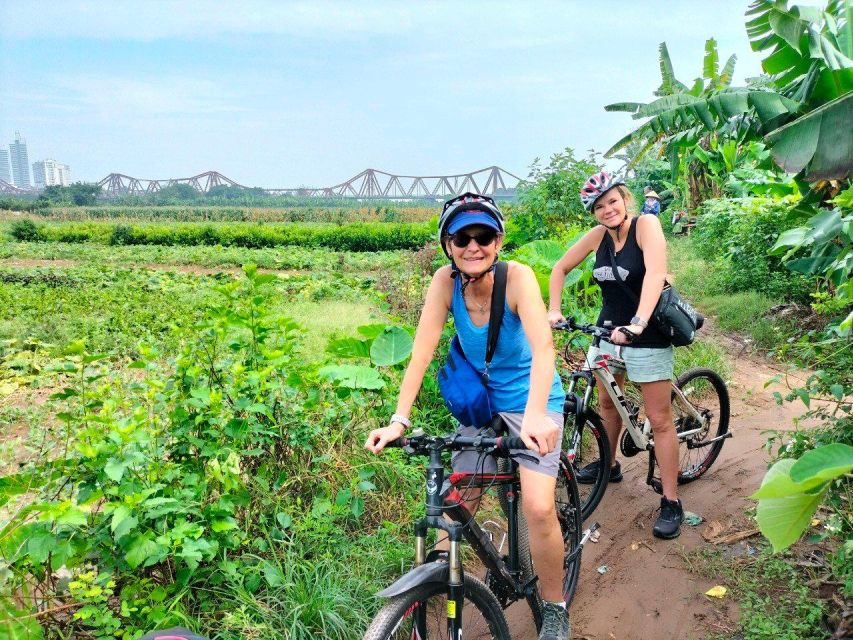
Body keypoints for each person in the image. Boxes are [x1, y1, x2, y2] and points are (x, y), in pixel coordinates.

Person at [365, 192, 571, 639]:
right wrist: (399, 420)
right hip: (481, 404)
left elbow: (543, 349)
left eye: (484, 236)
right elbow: (421, 354)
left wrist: (536, 416)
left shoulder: (517, 278)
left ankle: (554, 608)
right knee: (455, 503)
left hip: (530, 400)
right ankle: (436, 592)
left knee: (537, 506)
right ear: (448, 245)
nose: (473, 246)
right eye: (462, 237)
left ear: (497, 242)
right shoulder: (444, 281)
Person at [547, 172, 684, 539]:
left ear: (624, 198)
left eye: (612, 201)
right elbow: (559, 268)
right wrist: (554, 309)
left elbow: (655, 274)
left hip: (646, 332)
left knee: (660, 419)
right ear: (593, 212)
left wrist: (638, 323)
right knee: (607, 405)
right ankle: (610, 465)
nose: (607, 210)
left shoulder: (646, 225)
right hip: (607, 332)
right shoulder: (597, 238)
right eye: (598, 206)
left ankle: (671, 500)